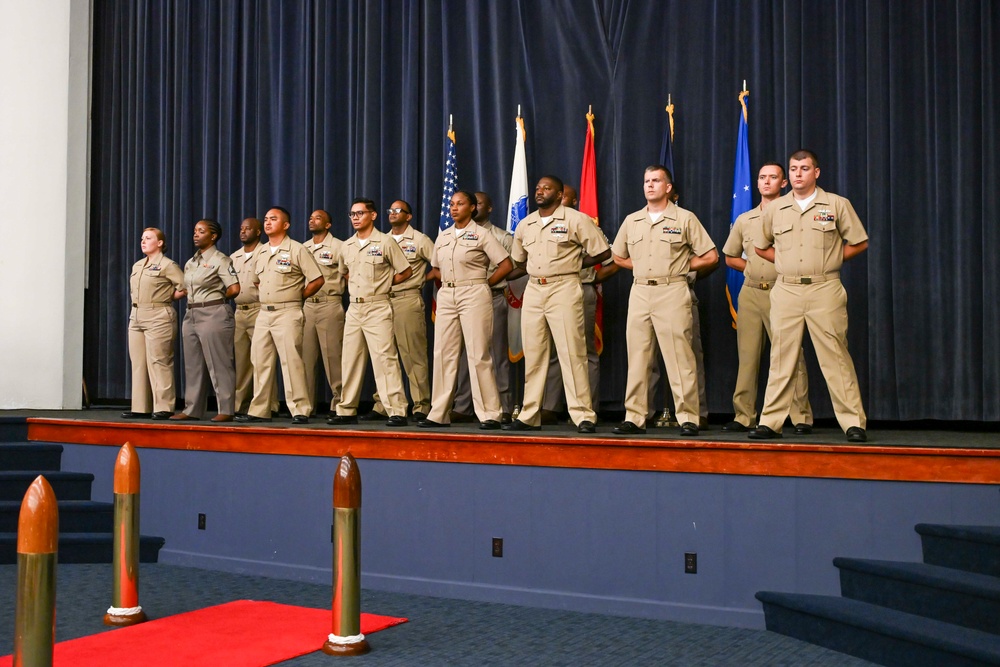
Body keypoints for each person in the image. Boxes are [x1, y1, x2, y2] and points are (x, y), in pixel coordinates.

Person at [749, 149, 869, 443]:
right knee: (781, 357)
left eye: (804, 168)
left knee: (835, 356)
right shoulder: (776, 209)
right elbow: (760, 247)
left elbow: (859, 242)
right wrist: (785, 262)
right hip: (786, 290)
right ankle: (771, 422)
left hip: (824, 288)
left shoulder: (837, 204)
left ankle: (853, 423)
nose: (798, 174)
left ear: (816, 172)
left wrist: (831, 261)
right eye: (793, 169)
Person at [610, 165, 718, 437]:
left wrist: (680, 266)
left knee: (680, 357)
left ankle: (688, 417)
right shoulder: (632, 220)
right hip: (640, 291)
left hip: (672, 290)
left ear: (668, 188)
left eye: (656, 180)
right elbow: (618, 256)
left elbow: (710, 256)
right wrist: (641, 266)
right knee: (638, 357)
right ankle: (635, 417)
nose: (650, 185)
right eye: (647, 181)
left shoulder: (684, 218)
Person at [502, 175, 610, 433]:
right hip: (534, 289)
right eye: (538, 188)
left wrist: (573, 263)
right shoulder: (526, 224)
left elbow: (603, 252)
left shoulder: (576, 219)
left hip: (564, 287)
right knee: (534, 353)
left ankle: (583, 415)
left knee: (572, 352)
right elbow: (519, 260)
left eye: (547, 188)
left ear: (560, 195)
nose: (540, 191)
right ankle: (530, 415)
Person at [722, 163, 812, 433]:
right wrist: (750, 267)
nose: (766, 182)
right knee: (747, 356)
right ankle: (744, 415)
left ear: (784, 183)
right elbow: (730, 256)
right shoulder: (745, 219)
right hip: (750, 292)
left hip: (782, 290)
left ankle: (800, 416)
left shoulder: (793, 214)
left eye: (773, 177)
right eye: (762, 177)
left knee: (790, 355)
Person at [419, 191, 513, 428]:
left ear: (472, 208)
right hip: (447, 294)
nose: (454, 208)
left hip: (474, 292)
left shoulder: (482, 234)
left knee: (478, 353)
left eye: (460, 204)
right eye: (452, 204)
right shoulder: (444, 236)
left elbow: (506, 264)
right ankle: (439, 413)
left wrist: (485, 284)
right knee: (443, 353)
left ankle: (490, 414)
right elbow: (436, 268)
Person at [327, 198, 413, 427]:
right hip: (354, 308)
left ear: (373, 216)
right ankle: (346, 409)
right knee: (350, 359)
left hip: (378, 306)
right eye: (352, 214)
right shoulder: (347, 245)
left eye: (360, 213)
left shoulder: (385, 242)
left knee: (385, 359)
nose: (355, 218)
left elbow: (406, 271)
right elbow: (345, 272)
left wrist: (383, 284)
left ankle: (396, 410)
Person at [235, 207, 324, 424]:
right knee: (260, 362)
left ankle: (300, 409)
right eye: (266, 219)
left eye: (273, 219)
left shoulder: (297, 249)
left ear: (285, 225)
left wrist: (297, 296)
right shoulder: (261, 251)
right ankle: (259, 410)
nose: (267, 223)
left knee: (291, 362)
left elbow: (317, 279)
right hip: (263, 313)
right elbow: (257, 281)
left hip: (288, 311)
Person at [539, 184, 618, 419]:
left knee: (583, 350)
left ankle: (588, 406)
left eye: (565, 198)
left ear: (573, 202)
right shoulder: (541, 224)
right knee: (552, 350)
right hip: (547, 291)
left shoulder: (584, 224)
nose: (559, 201)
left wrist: (592, 279)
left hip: (579, 289)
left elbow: (612, 260)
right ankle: (550, 407)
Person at [363, 200, 434, 421]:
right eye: (390, 210)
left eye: (398, 210)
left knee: (412, 354)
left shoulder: (419, 240)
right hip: (381, 301)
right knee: (383, 355)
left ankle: (421, 405)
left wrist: (420, 279)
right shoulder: (381, 240)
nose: (392, 213)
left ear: (408, 216)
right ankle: (383, 404)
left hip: (406, 300)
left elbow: (440, 265)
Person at [452, 191, 515, 423]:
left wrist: (486, 284)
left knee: (495, 354)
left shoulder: (500, 236)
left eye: (480, 203)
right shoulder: (454, 234)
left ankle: (504, 407)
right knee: (464, 354)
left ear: (488, 208)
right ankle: (463, 406)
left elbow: (514, 266)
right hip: (461, 298)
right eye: (473, 202)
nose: (476, 206)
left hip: (493, 296)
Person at [171, 219, 240, 422]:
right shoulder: (191, 262)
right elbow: (186, 288)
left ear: (213, 236)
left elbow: (234, 288)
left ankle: (226, 409)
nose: (196, 234)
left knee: (219, 363)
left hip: (213, 312)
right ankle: (192, 409)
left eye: (201, 231)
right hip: (191, 313)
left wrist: (217, 299)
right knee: (193, 365)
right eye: (195, 231)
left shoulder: (221, 260)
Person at [123, 227, 186, 420]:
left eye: (148, 238)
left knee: (159, 361)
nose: (143, 241)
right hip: (136, 314)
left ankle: (164, 406)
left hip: (158, 314)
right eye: (142, 238)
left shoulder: (168, 265)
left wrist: (168, 297)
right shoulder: (138, 265)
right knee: (138, 362)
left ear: (159, 243)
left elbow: (185, 287)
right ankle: (140, 407)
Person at [230, 218, 276, 416]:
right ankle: (240, 404)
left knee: (262, 360)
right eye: (241, 228)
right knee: (241, 362)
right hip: (240, 311)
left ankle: (269, 405)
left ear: (258, 232)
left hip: (260, 309)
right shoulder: (234, 257)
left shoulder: (265, 252)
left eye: (248, 229)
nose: (243, 231)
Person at [302, 209, 346, 416]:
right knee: (305, 359)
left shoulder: (339, 246)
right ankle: (305, 407)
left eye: (318, 218)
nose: (312, 221)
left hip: (329, 304)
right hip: (307, 306)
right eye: (311, 218)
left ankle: (340, 405)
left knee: (333, 357)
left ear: (328, 225)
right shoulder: (303, 248)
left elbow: (348, 274)